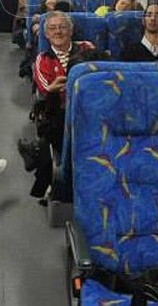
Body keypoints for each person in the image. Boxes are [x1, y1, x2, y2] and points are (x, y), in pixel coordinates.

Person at [26, 11, 95, 199]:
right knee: (60, 124)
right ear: (46, 34)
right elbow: (45, 89)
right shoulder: (44, 58)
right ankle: (60, 182)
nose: (58, 31)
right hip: (59, 110)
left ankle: (38, 158)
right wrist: (55, 89)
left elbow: (99, 77)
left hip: (90, 108)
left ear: (71, 31)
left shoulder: (86, 48)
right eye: (52, 28)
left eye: (63, 27)